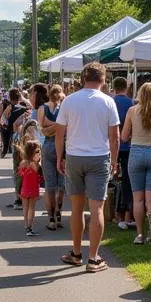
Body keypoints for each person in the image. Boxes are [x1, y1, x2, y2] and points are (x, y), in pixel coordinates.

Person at [55, 62, 120, 273]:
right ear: (103, 79)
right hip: (99, 156)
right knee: (96, 209)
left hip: (74, 156)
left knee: (76, 208)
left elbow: (59, 133)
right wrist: (115, 160)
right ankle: (93, 258)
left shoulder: (69, 101)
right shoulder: (108, 102)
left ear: (83, 78)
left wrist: (59, 157)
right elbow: (115, 136)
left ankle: (76, 253)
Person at [121, 82, 151, 245]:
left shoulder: (132, 111)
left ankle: (140, 235)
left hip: (136, 153)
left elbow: (124, 136)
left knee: (138, 199)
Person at [38, 83, 64, 230]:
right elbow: (67, 127)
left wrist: (51, 126)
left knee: (49, 187)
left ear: (48, 93)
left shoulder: (43, 108)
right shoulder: (64, 108)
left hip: (48, 145)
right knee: (61, 186)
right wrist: (59, 125)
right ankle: (59, 214)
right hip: (63, 145)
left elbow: (42, 129)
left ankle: (51, 219)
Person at [112, 76, 135, 230]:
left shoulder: (110, 102)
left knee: (113, 180)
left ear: (114, 87)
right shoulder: (131, 103)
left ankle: (115, 214)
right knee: (127, 181)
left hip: (113, 146)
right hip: (128, 146)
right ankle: (127, 214)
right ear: (126, 87)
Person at [17, 139, 42, 237]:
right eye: (37, 151)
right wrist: (39, 162)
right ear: (32, 152)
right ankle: (29, 228)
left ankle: (26, 225)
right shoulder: (35, 164)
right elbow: (40, 175)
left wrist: (18, 190)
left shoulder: (22, 163)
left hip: (24, 189)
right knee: (32, 208)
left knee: (25, 208)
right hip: (33, 189)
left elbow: (20, 177)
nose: (39, 153)